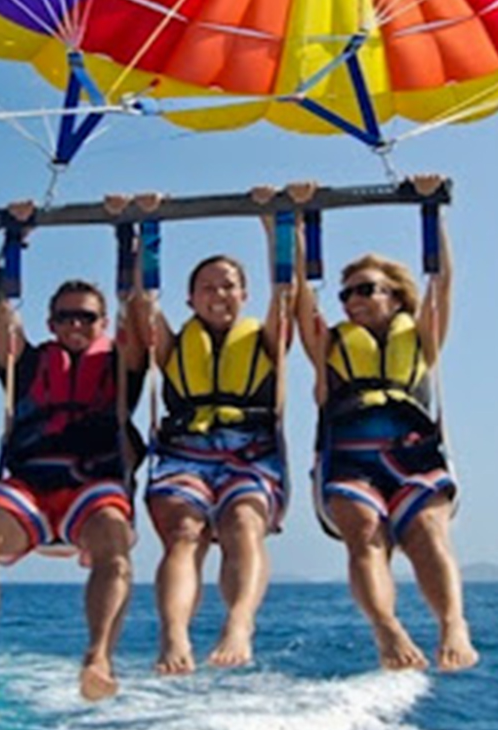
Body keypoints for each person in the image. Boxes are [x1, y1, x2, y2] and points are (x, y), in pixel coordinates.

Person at [0, 200, 145, 714]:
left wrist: (131, 236)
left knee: (115, 540)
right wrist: (14, 240)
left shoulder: (122, 363)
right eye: (66, 316)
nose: (76, 325)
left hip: (94, 483)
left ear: (102, 323)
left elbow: (139, 303)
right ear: (51, 321)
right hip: (29, 484)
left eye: (87, 317)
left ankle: (98, 659)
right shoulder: (26, 364)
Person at [291, 175, 480, 672]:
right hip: (350, 459)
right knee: (363, 532)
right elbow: (299, 297)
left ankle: (452, 624)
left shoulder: (421, 340)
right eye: (347, 292)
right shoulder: (332, 346)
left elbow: (444, 281)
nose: (352, 300)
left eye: (365, 290)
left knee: (426, 533)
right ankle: (387, 629)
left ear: (395, 297)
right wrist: (298, 220)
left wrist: (431, 211)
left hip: (413, 453)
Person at [128, 187, 295, 674]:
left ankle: (239, 622)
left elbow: (288, 291)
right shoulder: (174, 345)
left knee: (243, 522)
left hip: (251, 452)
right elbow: (142, 299)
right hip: (184, 453)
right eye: (207, 286)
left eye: (228, 286)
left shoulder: (264, 340)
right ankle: (174, 633)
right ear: (191, 298)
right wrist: (144, 229)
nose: (219, 294)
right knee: (184, 533)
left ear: (244, 294)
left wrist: (275, 224)